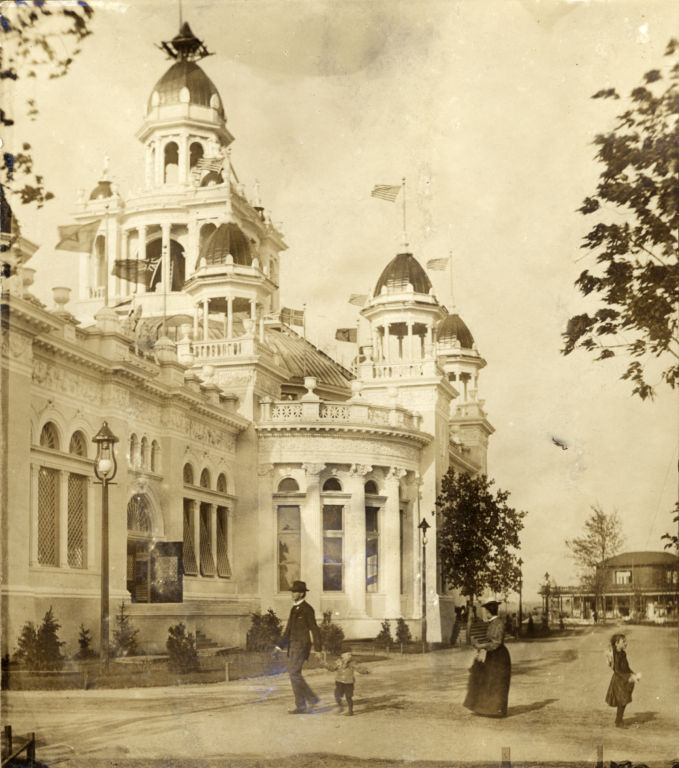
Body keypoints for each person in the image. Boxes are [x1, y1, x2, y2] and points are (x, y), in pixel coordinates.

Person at [276, 580, 322, 714]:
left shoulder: (307, 609)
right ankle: (302, 705)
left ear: (301, 594)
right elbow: (288, 629)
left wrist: (318, 648)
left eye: (295, 592)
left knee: (294, 673)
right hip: (293, 646)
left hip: (302, 646)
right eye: (292, 592)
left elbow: (315, 629)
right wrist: (279, 646)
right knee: (294, 674)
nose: (292, 594)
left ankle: (310, 699)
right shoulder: (294, 608)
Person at [463, 600, 511, 718]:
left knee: (497, 682)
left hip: (499, 656)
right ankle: (488, 709)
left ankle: (497, 710)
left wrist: (481, 646)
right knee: (488, 681)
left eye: (485, 611)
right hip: (492, 655)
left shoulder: (498, 623)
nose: (484, 613)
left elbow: (496, 643)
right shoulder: (493, 622)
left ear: (489, 612)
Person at [605, 633, 641, 728]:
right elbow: (617, 670)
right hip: (619, 680)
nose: (626, 643)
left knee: (623, 701)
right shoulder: (615, 655)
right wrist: (628, 677)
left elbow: (626, 667)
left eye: (626, 641)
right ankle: (618, 721)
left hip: (624, 679)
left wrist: (633, 673)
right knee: (622, 701)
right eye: (623, 641)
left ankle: (619, 720)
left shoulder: (623, 653)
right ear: (617, 643)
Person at [331, 650, 368, 716]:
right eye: (348, 654)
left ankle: (350, 711)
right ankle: (340, 706)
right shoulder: (338, 662)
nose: (350, 656)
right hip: (339, 682)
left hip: (349, 682)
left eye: (350, 655)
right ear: (342, 655)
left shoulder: (352, 663)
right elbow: (332, 668)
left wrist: (365, 671)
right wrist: (324, 664)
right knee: (337, 695)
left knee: (348, 697)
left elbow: (358, 668)